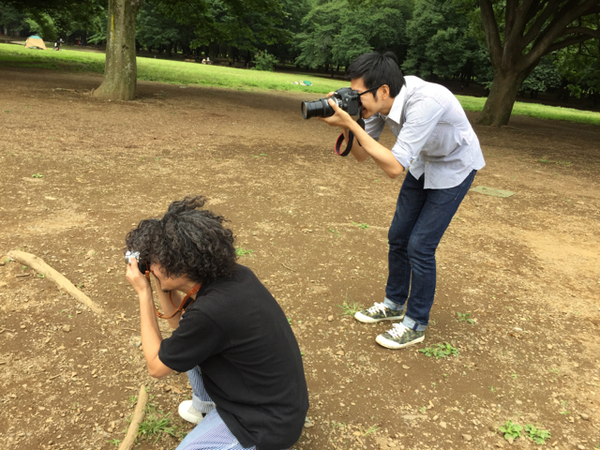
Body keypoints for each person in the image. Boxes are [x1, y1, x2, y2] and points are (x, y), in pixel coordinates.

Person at [319, 52, 485, 350]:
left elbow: (394, 167)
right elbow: (360, 154)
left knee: (420, 245)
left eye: (358, 94)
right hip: (423, 163)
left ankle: (416, 323)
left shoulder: (426, 101)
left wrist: (353, 125)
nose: (354, 99)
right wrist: (346, 122)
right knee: (398, 236)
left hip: (455, 166)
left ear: (383, 90)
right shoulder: (377, 104)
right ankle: (394, 304)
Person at [124, 197, 309, 450]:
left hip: (262, 424)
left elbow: (156, 366)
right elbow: (180, 326)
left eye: (155, 261)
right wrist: (159, 281)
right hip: (277, 399)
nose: (151, 266)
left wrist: (143, 293)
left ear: (180, 267)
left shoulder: (211, 313)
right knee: (187, 343)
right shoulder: (235, 276)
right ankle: (204, 406)